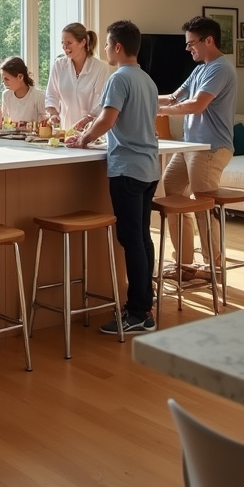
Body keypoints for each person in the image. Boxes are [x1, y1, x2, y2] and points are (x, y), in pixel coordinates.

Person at [67, 20, 159, 333]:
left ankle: (138, 313)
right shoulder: (146, 79)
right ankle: (145, 305)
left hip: (128, 168)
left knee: (131, 240)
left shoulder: (119, 78)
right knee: (143, 237)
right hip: (149, 168)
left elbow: (109, 118)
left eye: (107, 44)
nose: (105, 48)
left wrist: (83, 139)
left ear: (118, 47)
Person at [158, 16, 237, 277]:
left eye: (191, 43)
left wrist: (161, 111)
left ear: (209, 40)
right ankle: (185, 264)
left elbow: (196, 105)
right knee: (172, 193)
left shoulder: (220, 69)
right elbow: (174, 97)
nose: (187, 48)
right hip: (191, 146)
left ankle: (213, 267)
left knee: (203, 205)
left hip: (210, 148)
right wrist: (139, 96)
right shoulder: (201, 69)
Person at [45, 22, 110, 130]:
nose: (64, 47)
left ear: (83, 42)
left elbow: (100, 103)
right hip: (65, 130)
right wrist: (53, 114)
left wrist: (86, 120)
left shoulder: (100, 68)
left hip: (91, 132)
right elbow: (51, 95)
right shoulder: (59, 65)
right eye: (62, 43)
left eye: (69, 43)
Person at [0, 56, 46, 125]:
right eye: (3, 80)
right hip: (11, 135)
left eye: (7, 79)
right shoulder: (6, 95)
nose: (4, 83)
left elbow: (45, 123)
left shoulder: (38, 96)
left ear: (20, 77)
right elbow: (5, 122)